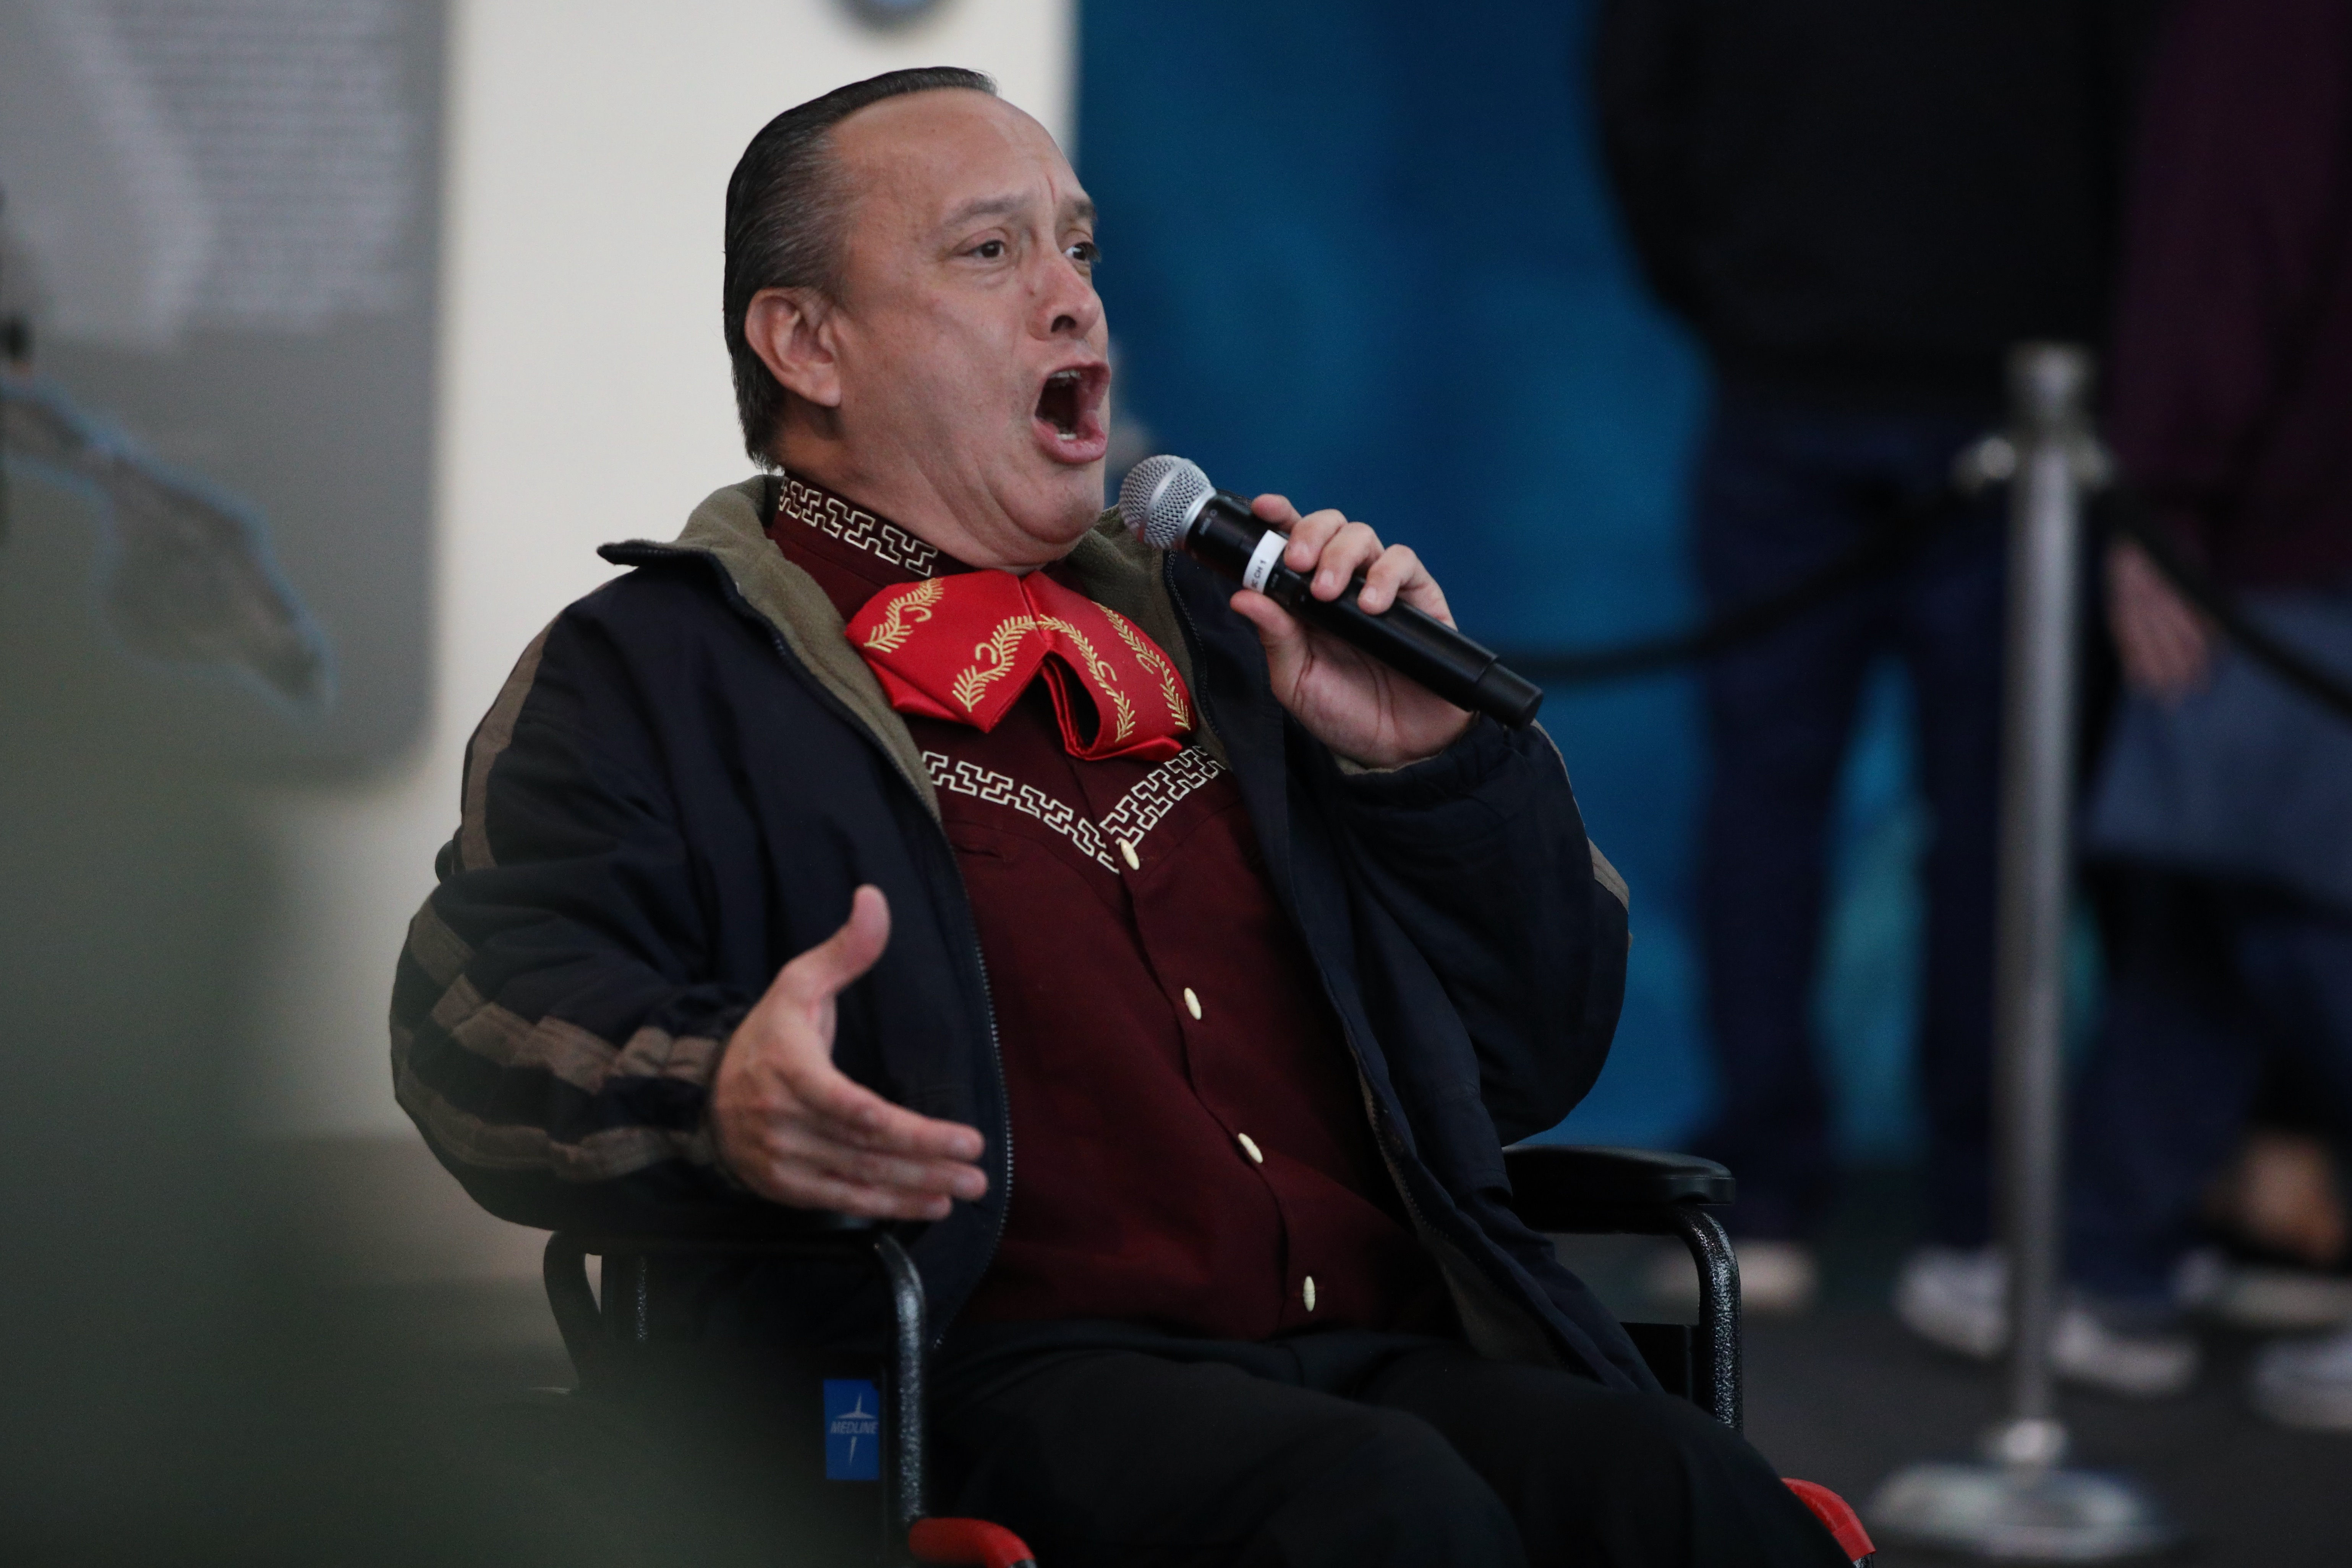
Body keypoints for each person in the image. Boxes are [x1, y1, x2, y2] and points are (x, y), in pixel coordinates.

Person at [389, 68, 1848, 1566]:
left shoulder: (1239, 642)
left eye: (1079, 249)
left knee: (1690, 1495)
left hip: (1383, 1345)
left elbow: (1537, 1053)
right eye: (989, 251)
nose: (1073, 299)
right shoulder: (656, 670)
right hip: (967, 1374)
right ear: (807, 343)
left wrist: (1427, 773)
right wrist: (710, 1098)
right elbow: (471, 1029)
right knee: (1380, 1514)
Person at [1592, 0, 2151, 1315]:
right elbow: (2145, 120)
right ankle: (1973, 1214)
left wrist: (1742, 293)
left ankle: (1776, 1194)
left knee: (1794, 804)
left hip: (1838, 378)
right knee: (1989, 815)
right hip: (1990, 378)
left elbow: (1636, 102)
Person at [1897, 0, 2352, 1421]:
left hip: (2289, 527)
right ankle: (2110, 1264)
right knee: (2213, 902)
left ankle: (2107, 1264)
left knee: (2296, 916)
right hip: (2301, 516)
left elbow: (2234, 225)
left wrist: (2164, 497)